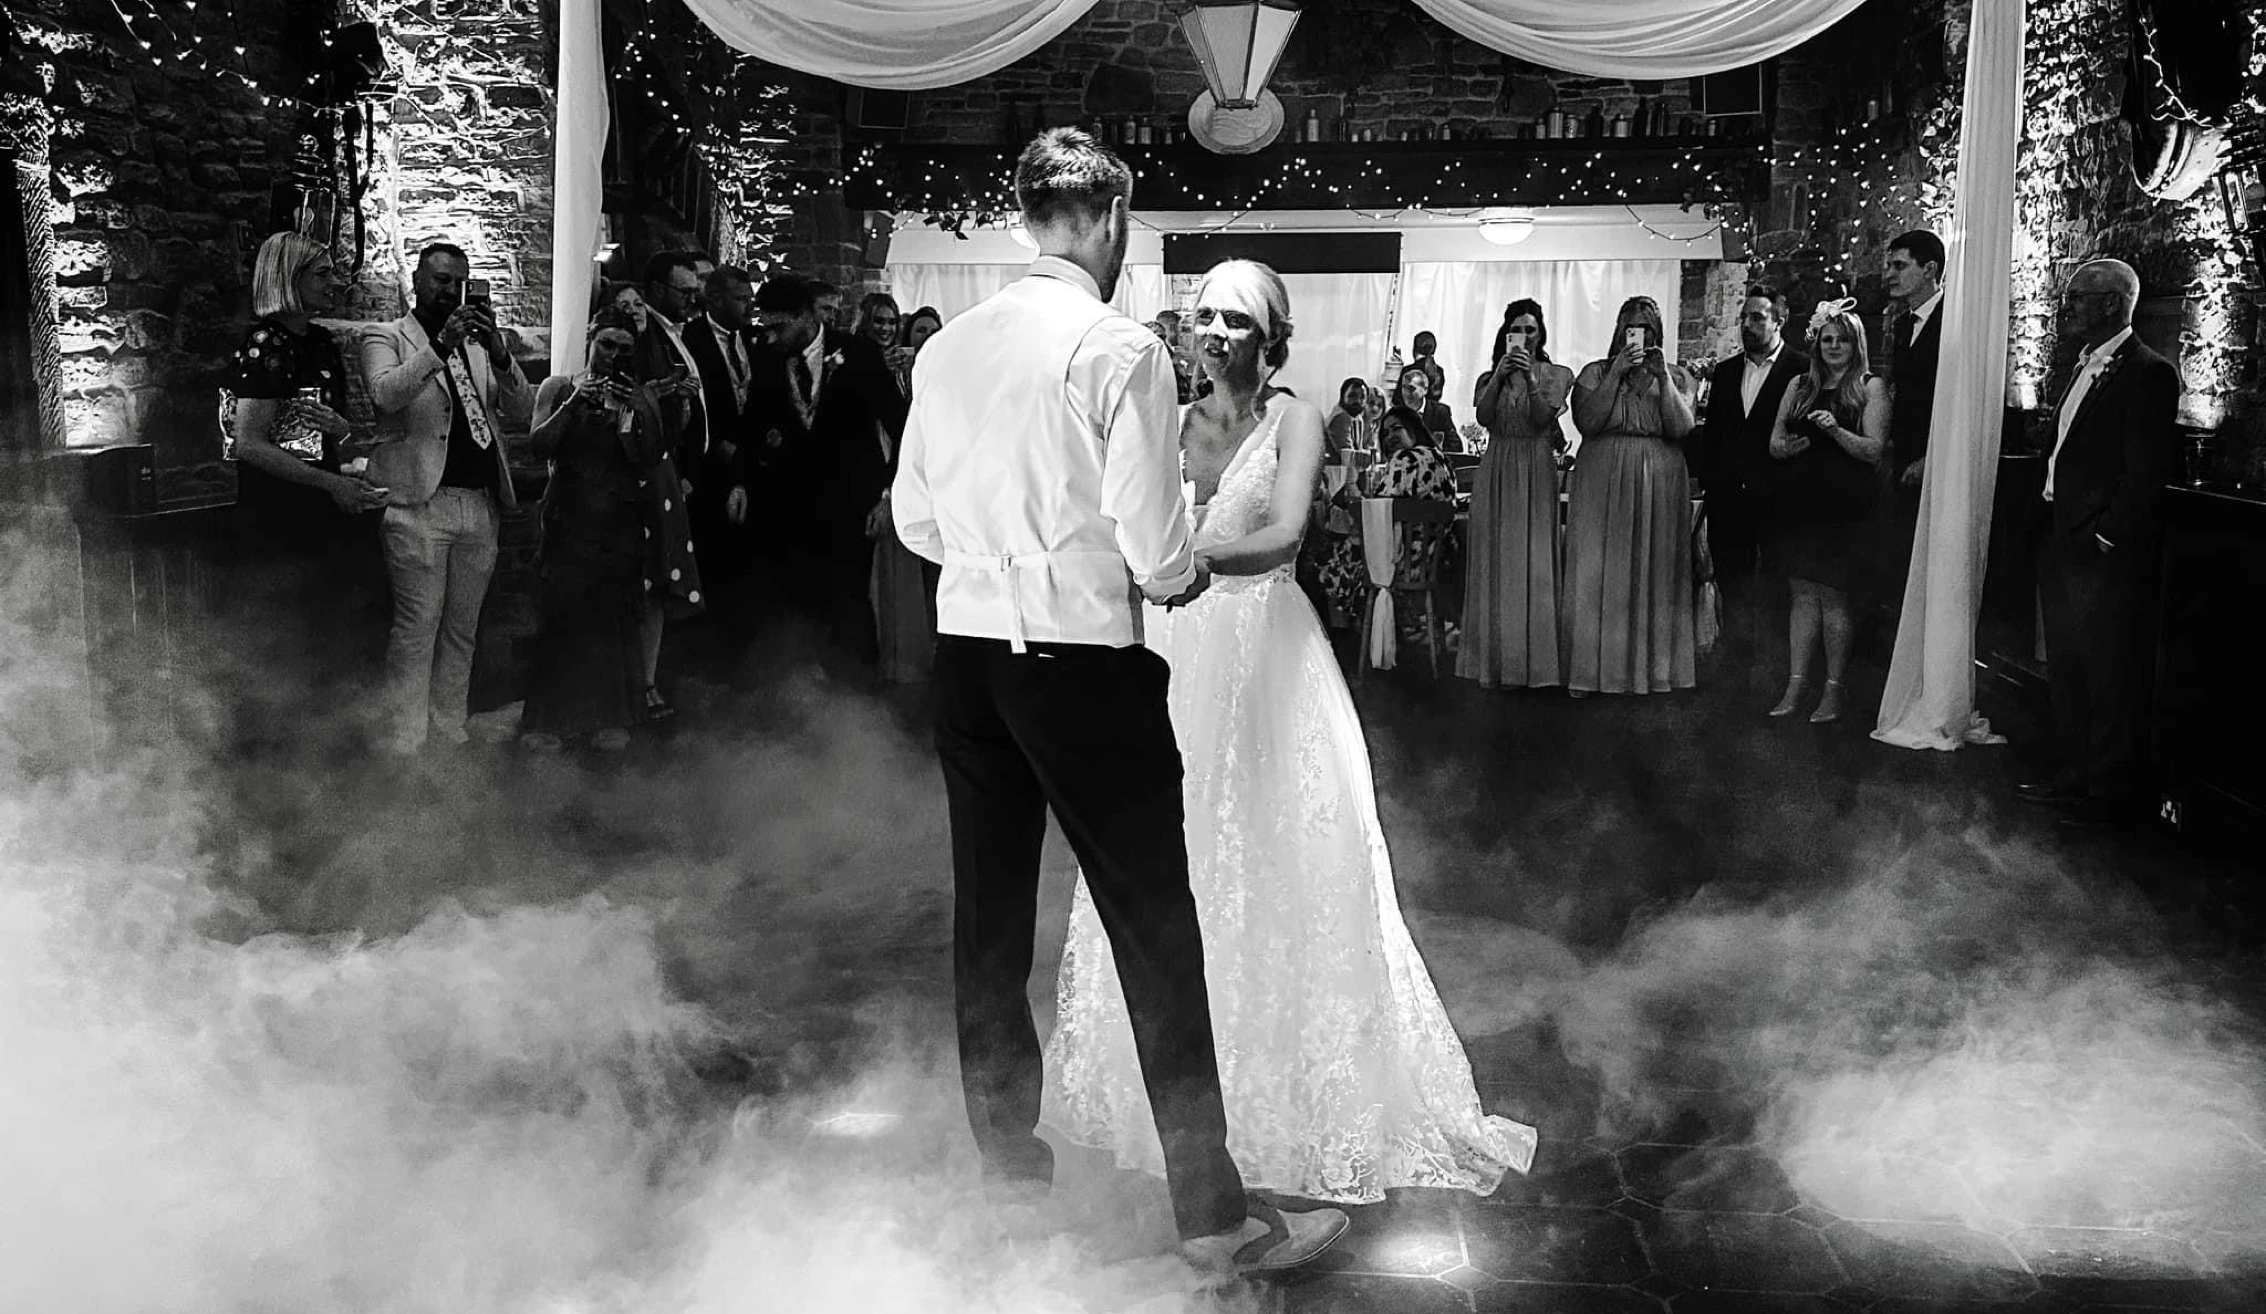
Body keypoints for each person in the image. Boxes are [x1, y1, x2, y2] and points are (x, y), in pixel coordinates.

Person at [892, 128, 1346, 1274]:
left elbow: (913, 520)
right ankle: (1214, 1219)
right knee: (1153, 929)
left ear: (1024, 218)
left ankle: (1009, 1183)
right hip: (1083, 663)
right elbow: (1156, 548)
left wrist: (998, 560)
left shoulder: (947, 348)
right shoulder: (1119, 347)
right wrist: (1173, 574)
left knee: (989, 926)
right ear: (1108, 219)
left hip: (968, 658)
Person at [1042, 258, 1536, 1206]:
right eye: (1206, 317)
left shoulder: (1294, 419)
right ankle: (1165, 1086)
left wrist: (1183, 564)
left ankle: (1287, 1086)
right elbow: (1114, 518)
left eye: (1237, 320)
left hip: (1263, 647)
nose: (1215, 334)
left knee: (1272, 851)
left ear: (1271, 337)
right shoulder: (1167, 419)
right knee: (1166, 855)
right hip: (1168, 655)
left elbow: (1284, 533)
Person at [2018, 259, 2178, 824]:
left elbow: (2145, 472)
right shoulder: (2083, 363)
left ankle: (2104, 793)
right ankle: (2073, 774)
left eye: (2077, 298)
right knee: (2067, 665)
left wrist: (2105, 538)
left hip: (2098, 549)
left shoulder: (2149, 372)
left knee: (2106, 670)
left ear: (2111, 303)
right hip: (2058, 535)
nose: (2067, 308)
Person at [360, 242, 533, 754]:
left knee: (463, 630)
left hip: (479, 503)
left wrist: (499, 352)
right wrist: (440, 345)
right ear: (416, 281)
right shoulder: (386, 336)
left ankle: (450, 731)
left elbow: (523, 410)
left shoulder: (480, 346)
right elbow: (385, 394)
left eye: (459, 282)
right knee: (417, 628)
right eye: (440, 280)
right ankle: (405, 740)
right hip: (419, 503)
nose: (450, 290)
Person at [519, 308, 702, 752]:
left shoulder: (640, 395)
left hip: (619, 521)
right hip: (569, 516)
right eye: (606, 344)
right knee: (561, 619)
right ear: (590, 340)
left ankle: (608, 717)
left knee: (612, 623)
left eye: (623, 348)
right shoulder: (558, 386)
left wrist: (639, 410)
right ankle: (549, 719)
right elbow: (539, 444)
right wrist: (575, 403)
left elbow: (649, 456)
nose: (612, 354)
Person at [223, 232, 390, 703]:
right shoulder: (265, 344)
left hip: (321, 513)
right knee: (287, 650)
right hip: (277, 519)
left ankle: (335, 740)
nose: (335, 282)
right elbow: (248, 443)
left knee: (335, 643)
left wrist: (342, 432)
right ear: (287, 279)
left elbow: (319, 437)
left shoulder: (320, 342)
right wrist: (331, 483)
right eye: (323, 273)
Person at [732, 272, 905, 666]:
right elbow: (752, 426)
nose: (771, 337)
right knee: (797, 605)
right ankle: (801, 688)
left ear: (807, 316)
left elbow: (901, 426)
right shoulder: (767, 358)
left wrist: (888, 496)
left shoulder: (859, 354)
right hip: (792, 507)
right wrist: (740, 482)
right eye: (766, 327)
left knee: (850, 602)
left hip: (853, 504)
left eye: (779, 327)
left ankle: (859, 691)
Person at [1563, 295, 1699, 696]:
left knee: (1653, 568)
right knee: (1599, 569)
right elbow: (1588, 421)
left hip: (1659, 479)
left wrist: (1663, 378)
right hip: (1601, 478)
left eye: (1646, 328)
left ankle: (1650, 672)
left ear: (1657, 333)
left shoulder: (1677, 375)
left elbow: (1682, 427)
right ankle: (1594, 671)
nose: (1637, 335)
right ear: (1619, 331)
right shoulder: (1594, 372)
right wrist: (1617, 372)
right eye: (1630, 328)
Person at [1763, 301, 1888, 724]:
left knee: (1833, 595)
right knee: (1801, 593)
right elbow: (1774, 442)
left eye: (1843, 340)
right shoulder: (1799, 384)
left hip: (1845, 507)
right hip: (1800, 502)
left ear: (1856, 344)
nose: (1833, 346)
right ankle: (1796, 683)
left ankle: (1833, 688)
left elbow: (1874, 450)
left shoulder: (1870, 387)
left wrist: (1836, 431)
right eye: (1827, 339)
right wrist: (1787, 447)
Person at [1460, 298, 1575, 690]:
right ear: (1505, 334)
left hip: (1536, 466)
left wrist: (1528, 377)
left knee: (1534, 558)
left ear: (1541, 334)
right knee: (1497, 556)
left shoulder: (1557, 374)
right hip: (1496, 466)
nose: (1524, 337)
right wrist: (1499, 375)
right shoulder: (1488, 377)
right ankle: (1497, 661)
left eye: (1531, 330)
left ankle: (1536, 663)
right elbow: (1483, 417)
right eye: (1516, 329)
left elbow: (1542, 418)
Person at [1700, 285, 1808, 671]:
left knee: (1778, 588)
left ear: (1779, 321)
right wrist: (1713, 482)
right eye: (1743, 317)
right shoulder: (1726, 371)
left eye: (1757, 317)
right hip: (1729, 498)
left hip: (1779, 499)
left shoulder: (1801, 369)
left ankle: (1776, 671)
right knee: (1733, 584)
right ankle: (1734, 668)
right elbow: (1714, 435)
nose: (1747, 324)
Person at [1318, 405, 1458, 634]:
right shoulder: (1440, 458)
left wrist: (1354, 488)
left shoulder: (1406, 458)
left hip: (1403, 563)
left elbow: (1378, 512)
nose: (1390, 436)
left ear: (1413, 428)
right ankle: (1376, 627)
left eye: (1396, 428)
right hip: (1434, 560)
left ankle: (1346, 639)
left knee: (1331, 558)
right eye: (1385, 432)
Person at [866, 294, 941, 683]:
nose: (927, 338)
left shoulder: (941, 375)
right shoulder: (886, 371)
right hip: (892, 482)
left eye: (934, 332)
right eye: (920, 331)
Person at [1883, 229, 1946, 600]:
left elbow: (1952, 397)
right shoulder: (1904, 323)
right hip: (1903, 457)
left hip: (1937, 462)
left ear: (1929, 269)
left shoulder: (1953, 322)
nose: (1889, 274)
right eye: (1889, 266)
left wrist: (1930, 458)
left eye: (1899, 266)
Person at [1395, 365, 1457, 449]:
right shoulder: (1397, 414)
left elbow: (1455, 445)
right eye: (1404, 387)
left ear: (1425, 390)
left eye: (1411, 388)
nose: (1406, 393)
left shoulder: (1440, 412)